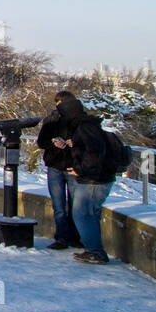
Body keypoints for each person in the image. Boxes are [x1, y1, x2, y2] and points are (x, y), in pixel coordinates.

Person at [66, 99, 117, 265]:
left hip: (94, 180)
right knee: (90, 214)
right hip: (99, 178)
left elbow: (95, 152)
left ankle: (96, 252)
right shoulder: (89, 125)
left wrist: (80, 169)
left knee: (82, 213)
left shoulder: (84, 127)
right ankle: (93, 250)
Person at [36, 90, 85, 251]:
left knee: (74, 205)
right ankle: (62, 237)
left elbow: (88, 142)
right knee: (59, 205)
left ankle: (73, 236)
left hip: (72, 167)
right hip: (55, 166)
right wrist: (52, 142)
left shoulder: (80, 121)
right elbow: (41, 141)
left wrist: (75, 142)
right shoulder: (51, 120)